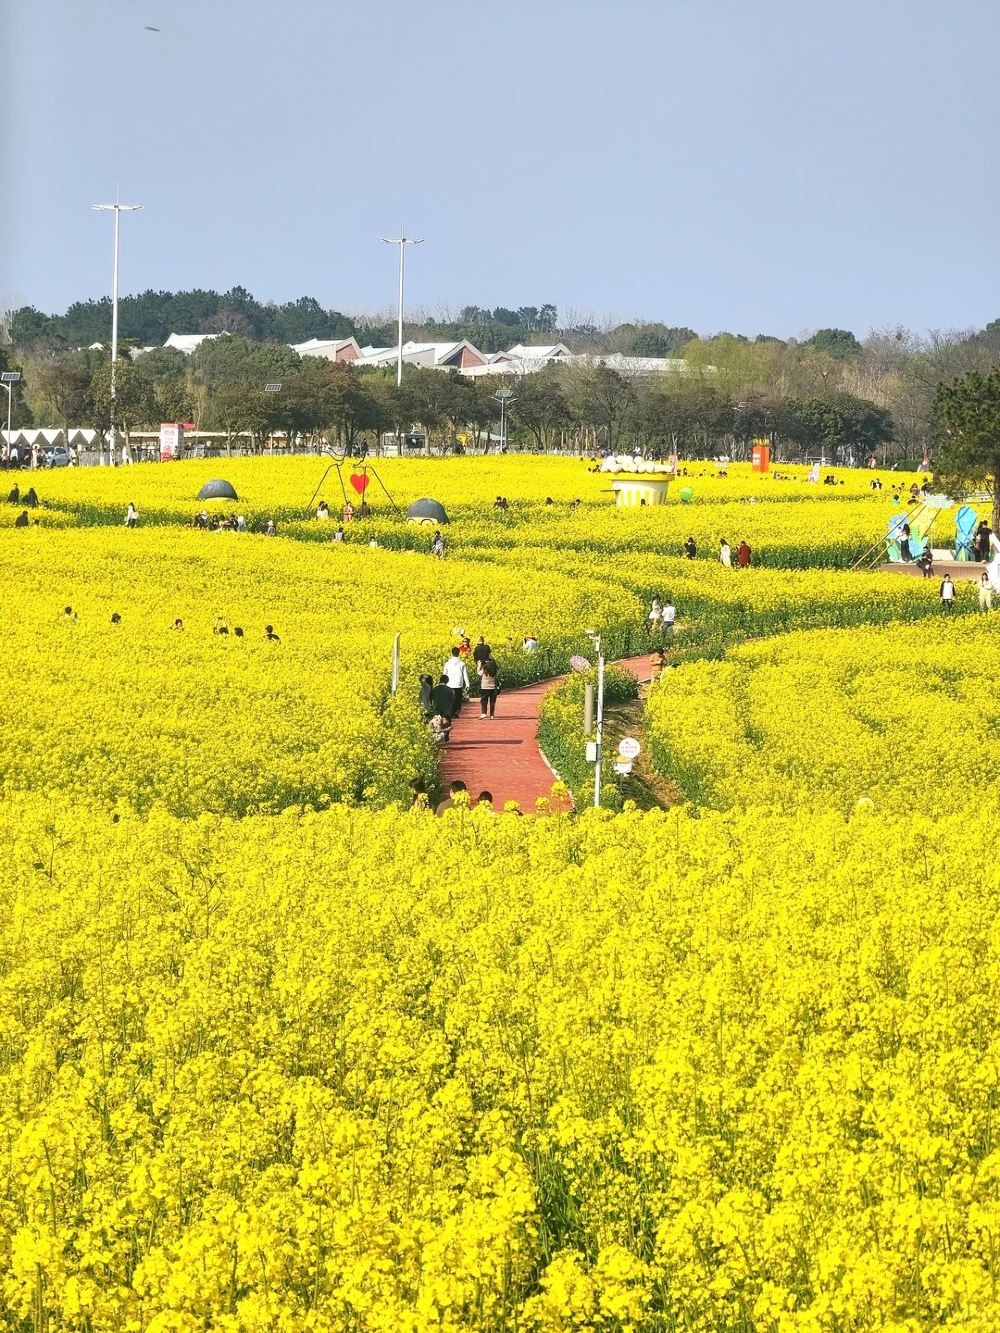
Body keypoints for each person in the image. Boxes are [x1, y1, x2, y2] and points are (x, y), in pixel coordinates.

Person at [442, 646, 470, 716]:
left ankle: (450, 712)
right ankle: (456, 712)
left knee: (450, 699)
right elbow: (465, 675)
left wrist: (443, 683)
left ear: (452, 653)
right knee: (458, 699)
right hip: (458, 683)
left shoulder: (447, 663)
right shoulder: (462, 663)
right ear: (459, 653)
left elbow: (444, 674)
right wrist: (467, 684)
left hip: (449, 683)